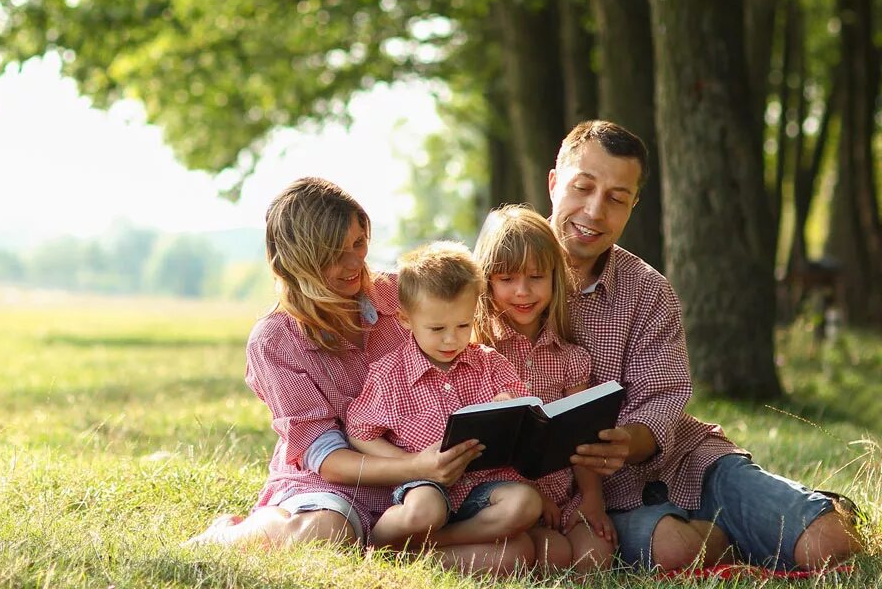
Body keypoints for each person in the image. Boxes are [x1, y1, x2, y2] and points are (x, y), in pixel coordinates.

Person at [547, 120, 863, 571]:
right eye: (583, 188)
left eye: (617, 199)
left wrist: (626, 441)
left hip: (685, 462)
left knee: (831, 542)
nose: (595, 211)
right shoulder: (496, 276)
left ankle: (802, 511)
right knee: (678, 550)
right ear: (555, 183)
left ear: (632, 206)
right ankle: (730, 535)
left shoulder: (648, 290)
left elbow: (662, 403)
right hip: (597, 501)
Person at [186, 177, 535, 575]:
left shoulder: (396, 295)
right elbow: (329, 459)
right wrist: (418, 465)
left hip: (429, 492)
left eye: (358, 242)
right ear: (297, 260)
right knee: (327, 529)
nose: (355, 264)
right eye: (334, 254)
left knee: (513, 555)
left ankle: (391, 553)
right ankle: (231, 537)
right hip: (334, 488)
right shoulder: (274, 340)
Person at [344, 241, 542, 562]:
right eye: (437, 328)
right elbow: (359, 431)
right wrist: (408, 463)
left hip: (483, 488)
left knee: (525, 504)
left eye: (463, 325)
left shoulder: (489, 364)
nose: (451, 339)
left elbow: (523, 408)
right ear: (405, 320)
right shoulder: (389, 375)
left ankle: (426, 549)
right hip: (424, 484)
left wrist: (509, 403)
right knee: (425, 510)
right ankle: (378, 543)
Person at [473, 204, 615, 573]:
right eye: (507, 279)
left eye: (536, 277)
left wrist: (593, 499)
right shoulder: (478, 355)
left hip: (562, 493)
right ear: (487, 281)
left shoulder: (571, 358)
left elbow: (581, 439)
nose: (523, 292)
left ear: (555, 278)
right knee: (554, 556)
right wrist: (532, 495)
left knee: (596, 556)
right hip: (504, 497)